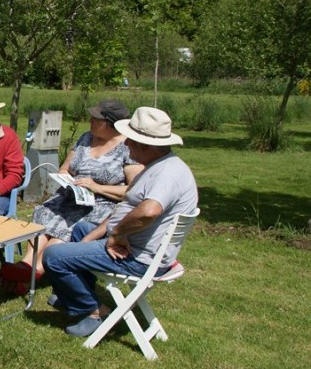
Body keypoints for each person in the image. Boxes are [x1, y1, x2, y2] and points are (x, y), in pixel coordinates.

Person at [42, 106, 199, 338]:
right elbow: (126, 207)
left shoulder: (168, 174)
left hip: (136, 257)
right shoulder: (157, 166)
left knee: (53, 256)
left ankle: (96, 311)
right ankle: (72, 296)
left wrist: (117, 235)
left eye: (132, 142)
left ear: (147, 146)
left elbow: (148, 211)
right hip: (135, 245)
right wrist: (91, 238)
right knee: (80, 231)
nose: (126, 145)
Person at [0, 99, 142, 291]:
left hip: (100, 204)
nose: (90, 120)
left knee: (68, 224)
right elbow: (66, 167)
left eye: (95, 118)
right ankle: (26, 265)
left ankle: (35, 271)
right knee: (45, 212)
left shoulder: (127, 147)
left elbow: (134, 190)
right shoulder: (85, 138)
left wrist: (97, 187)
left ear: (111, 124)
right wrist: (64, 175)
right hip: (71, 195)